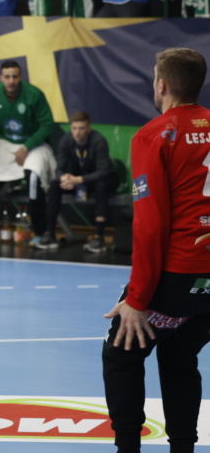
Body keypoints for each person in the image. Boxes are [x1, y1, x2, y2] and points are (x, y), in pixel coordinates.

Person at [101, 47, 210, 453]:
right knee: (180, 355)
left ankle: (128, 447)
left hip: (179, 273)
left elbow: (150, 225)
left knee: (121, 352)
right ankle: (183, 447)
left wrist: (137, 298)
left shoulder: (154, 134)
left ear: (161, 85)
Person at [0, 60, 55, 245]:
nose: (11, 81)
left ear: (20, 77)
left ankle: (40, 232)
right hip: (5, 144)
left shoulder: (34, 94)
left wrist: (26, 147)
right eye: (7, 77)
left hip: (33, 144)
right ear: (1, 78)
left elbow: (47, 125)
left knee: (33, 178)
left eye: (15, 77)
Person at [35, 111, 118, 252]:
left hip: (102, 180)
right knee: (54, 185)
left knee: (101, 186)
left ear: (88, 129)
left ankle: (99, 237)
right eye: (74, 128)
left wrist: (79, 179)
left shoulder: (98, 140)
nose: (77, 132)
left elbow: (103, 171)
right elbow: (58, 169)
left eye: (81, 128)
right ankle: (49, 234)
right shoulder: (66, 140)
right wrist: (64, 178)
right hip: (77, 180)